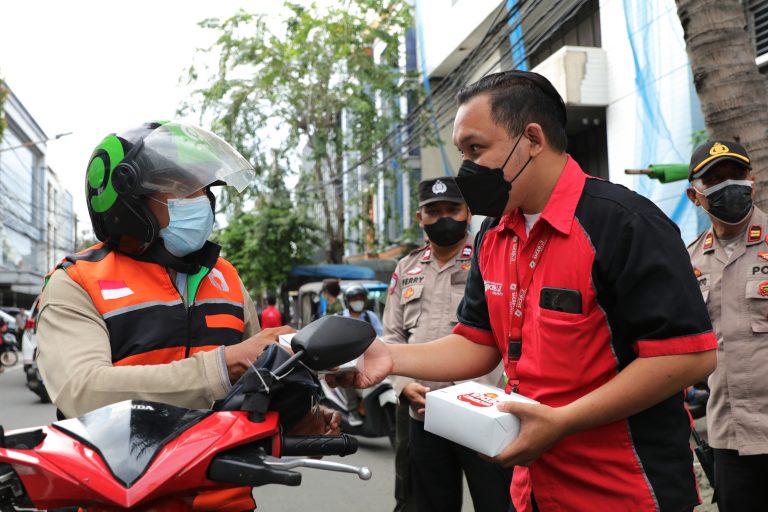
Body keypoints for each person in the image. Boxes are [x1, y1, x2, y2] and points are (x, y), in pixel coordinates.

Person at [329, 71, 717, 511]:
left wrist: (562, 422)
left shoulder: (624, 223)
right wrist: (390, 357)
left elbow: (688, 354)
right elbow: (476, 342)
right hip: (530, 486)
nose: (467, 169)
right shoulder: (495, 233)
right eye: (463, 153)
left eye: (476, 149)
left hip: (623, 489)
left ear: (532, 138)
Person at [36, 121, 339, 512]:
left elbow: (256, 387)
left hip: (225, 500)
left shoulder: (225, 276)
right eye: (181, 190)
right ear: (128, 203)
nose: (202, 201)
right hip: (114, 500)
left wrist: (303, 417)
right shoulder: (76, 282)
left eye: (203, 189)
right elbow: (83, 392)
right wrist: (220, 366)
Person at [383, 177, 510, 512]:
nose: (443, 219)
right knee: (429, 504)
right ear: (419, 218)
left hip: (483, 411)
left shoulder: (491, 258)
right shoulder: (406, 268)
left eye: (452, 209)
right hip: (424, 411)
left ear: (469, 213)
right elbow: (392, 335)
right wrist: (404, 384)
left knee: (497, 501)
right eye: (433, 211)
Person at [685, 140, 768, 511]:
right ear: (694, 196)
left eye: (736, 175)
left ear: (752, 180)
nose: (729, 186)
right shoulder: (689, 262)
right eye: (714, 180)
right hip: (729, 436)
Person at [338, 284, 383, 427]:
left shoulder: (371, 316)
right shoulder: (338, 318)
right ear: (348, 301)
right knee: (347, 374)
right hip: (346, 358)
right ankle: (352, 410)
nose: (358, 301)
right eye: (354, 298)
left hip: (368, 357)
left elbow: (381, 336)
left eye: (361, 298)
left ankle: (367, 404)